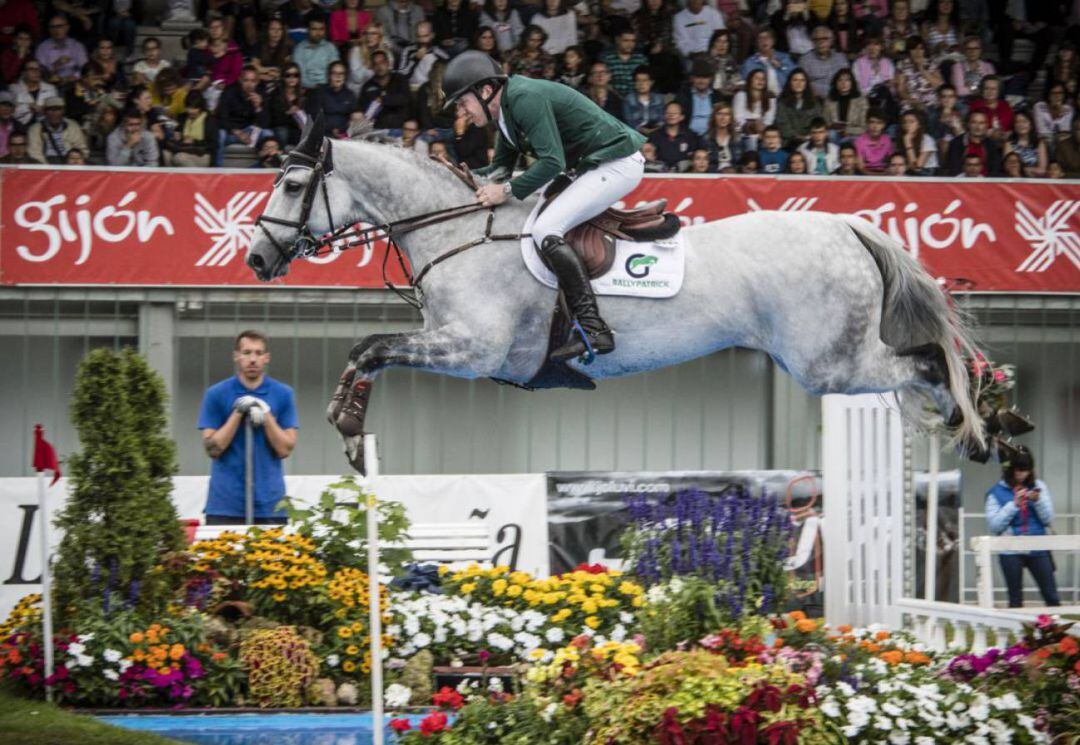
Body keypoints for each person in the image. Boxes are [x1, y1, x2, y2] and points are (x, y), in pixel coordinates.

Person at [444, 50, 646, 361]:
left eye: (462, 102)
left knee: (545, 228)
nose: (462, 112)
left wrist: (507, 191)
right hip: (590, 167)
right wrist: (455, 176)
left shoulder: (524, 98)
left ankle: (594, 328)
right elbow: (498, 170)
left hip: (616, 163)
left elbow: (552, 162)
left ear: (485, 91)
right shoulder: (505, 112)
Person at [199, 330, 298, 526]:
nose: (252, 359)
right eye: (246, 353)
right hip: (225, 505)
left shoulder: (283, 394)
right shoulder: (216, 394)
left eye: (258, 353)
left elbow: (285, 449)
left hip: (271, 504)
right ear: (236, 356)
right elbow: (213, 449)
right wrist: (237, 412)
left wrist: (266, 413)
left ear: (266, 358)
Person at [985, 448, 1060, 608]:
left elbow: (1048, 518)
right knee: (1015, 599)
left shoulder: (1039, 486)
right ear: (1009, 469)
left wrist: (1038, 500)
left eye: (1026, 470)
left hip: (1039, 548)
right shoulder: (995, 492)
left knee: (1051, 596)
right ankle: (1019, 632)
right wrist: (1014, 505)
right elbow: (994, 525)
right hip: (1010, 550)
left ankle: (1058, 632)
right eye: (1018, 470)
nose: (1022, 475)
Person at [26, 96, 88, 164]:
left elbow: (81, 148)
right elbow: (34, 153)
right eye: (50, 109)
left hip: (69, 161)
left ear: (63, 111)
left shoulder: (73, 126)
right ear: (44, 112)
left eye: (57, 109)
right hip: (45, 162)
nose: (54, 113)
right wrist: (46, 167)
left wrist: (75, 162)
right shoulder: (35, 129)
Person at [945, 109, 1001, 176]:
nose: (978, 127)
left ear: (987, 125)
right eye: (974, 122)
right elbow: (954, 169)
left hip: (986, 183)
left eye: (981, 123)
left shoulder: (991, 145)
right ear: (968, 124)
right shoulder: (956, 143)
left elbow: (994, 170)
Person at [36, 14, 88, 85]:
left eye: (59, 26)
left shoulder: (76, 46)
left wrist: (73, 77)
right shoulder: (42, 47)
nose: (56, 30)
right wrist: (55, 65)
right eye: (52, 27)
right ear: (49, 30)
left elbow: (85, 68)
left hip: (75, 83)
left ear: (67, 27)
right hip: (50, 84)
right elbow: (40, 71)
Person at [649, 100, 700, 170]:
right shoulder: (654, 136)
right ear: (664, 115)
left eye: (675, 113)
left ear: (682, 117)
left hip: (684, 175)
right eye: (668, 113)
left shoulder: (690, 136)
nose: (671, 115)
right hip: (660, 174)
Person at [799, 25, 848, 99]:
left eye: (825, 38)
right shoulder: (805, 60)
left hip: (839, 97)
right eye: (816, 39)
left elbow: (848, 80)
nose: (821, 42)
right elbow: (800, 84)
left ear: (831, 40)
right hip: (815, 100)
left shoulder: (841, 58)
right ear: (812, 42)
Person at [295, 15, 341, 90]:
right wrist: (315, 87)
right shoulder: (299, 49)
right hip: (307, 90)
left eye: (321, 29)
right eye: (314, 29)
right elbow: (300, 76)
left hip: (328, 89)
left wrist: (325, 87)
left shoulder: (330, 48)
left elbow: (335, 72)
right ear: (308, 30)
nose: (318, 33)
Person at [601, 28, 649, 99]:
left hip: (636, 100)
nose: (630, 44)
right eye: (626, 41)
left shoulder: (641, 59)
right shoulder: (607, 58)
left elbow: (647, 81)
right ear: (617, 40)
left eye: (633, 41)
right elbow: (604, 81)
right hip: (613, 99)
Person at [853, 106, 892, 174]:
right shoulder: (859, 141)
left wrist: (884, 175)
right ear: (867, 123)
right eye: (872, 122)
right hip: (865, 176)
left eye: (879, 123)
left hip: (884, 174)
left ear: (884, 125)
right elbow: (861, 168)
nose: (875, 126)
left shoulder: (887, 140)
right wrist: (878, 176)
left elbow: (890, 163)